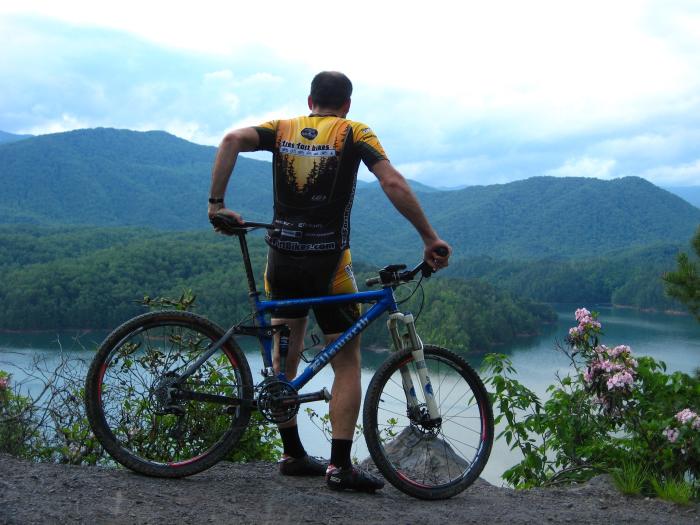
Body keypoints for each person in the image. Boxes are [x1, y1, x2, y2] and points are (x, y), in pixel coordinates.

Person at [208, 71, 451, 493]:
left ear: (310, 100)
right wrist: (430, 237)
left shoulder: (281, 129)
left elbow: (229, 140)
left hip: (281, 263)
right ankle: (340, 467)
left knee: (285, 362)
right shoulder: (354, 132)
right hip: (330, 267)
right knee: (347, 362)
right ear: (347, 104)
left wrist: (216, 204)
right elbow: (391, 181)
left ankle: (292, 454)